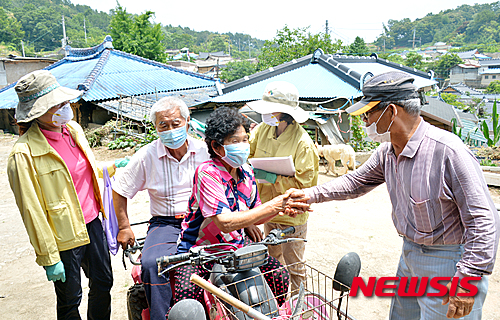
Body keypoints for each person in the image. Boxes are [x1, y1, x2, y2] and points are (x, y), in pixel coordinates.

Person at [291, 71, 500, 320]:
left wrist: (468, 279)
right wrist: (309, 195)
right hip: (410, 253)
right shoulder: (387, 152)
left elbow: (483, 220)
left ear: (391, 112)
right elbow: (355, 182)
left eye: (368, 114)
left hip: (450, 261)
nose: (365, 122)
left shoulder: (447, 152)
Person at [173, 106, 309, 308]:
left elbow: (258, 212)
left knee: (278, 276)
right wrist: (274, 205)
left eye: (245, 140)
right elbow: (225, 223)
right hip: (201, 253)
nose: (243, 146)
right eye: (235, 141)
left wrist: (281, 209)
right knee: (187, 299)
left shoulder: (246, 172)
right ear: (217, 147)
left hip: (237, 251)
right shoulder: (208, 173)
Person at [7, 70, 114, 319]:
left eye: (65, 102)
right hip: (63, 237)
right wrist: (48, 256)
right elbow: (31, 210)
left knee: (103, 284)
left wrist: (109, 169)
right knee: (70, 299)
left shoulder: (73, 130)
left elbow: (80, 171)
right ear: (36, 112)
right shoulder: (23, 154)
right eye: (57, 104)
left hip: (92, 223)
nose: (65, 107)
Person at [112, 97, 210, 319]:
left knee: (230, 256)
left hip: (204, 219)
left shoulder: (205, 150)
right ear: (156, 128)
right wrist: (124, 226)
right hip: (166, 222)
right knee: (151, 264)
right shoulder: (147, 155)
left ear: (187, 121)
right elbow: (119, 190)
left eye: (176, 123)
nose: (171, 130)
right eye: (163, 126)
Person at [246, 81, 319, 293]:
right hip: (267, 211)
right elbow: (248, 156)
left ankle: (300, 308)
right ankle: (275, 303)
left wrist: (272, 177)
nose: (266, 113)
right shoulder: (261, 130)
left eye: (271, 109)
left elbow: (305, 186)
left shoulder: (303, 143)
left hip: (291, 216)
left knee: (295, 266)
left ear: (286, 113)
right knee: (271, 263)